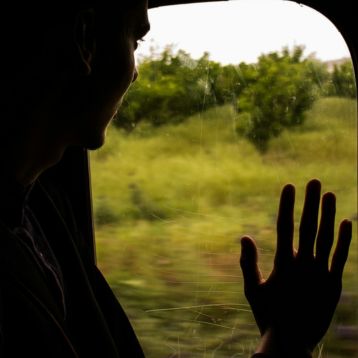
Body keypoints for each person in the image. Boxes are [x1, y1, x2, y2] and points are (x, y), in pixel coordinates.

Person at [0, 1, 352, 357]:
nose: (135, 74)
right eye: (135, 41)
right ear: (85, 39)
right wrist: (286, 340)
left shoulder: (39, 206)